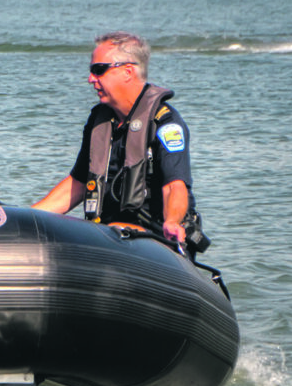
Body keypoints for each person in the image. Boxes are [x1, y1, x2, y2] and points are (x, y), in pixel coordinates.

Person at [31, 32, 205, 251]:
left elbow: (175, 186)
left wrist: (172, 220)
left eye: (99, 70)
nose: (91, 79)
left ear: (127, 71)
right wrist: (29, 216)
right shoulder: (99, 121)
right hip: (108, 238)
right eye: (91, 71)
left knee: (116, 230)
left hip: (154, 244)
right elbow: (78, 184)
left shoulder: (166, 124)